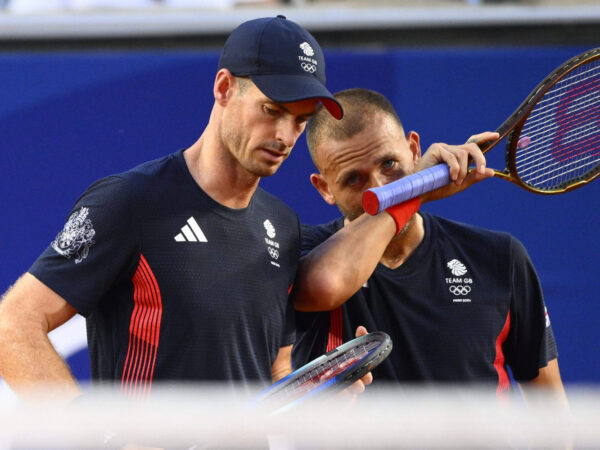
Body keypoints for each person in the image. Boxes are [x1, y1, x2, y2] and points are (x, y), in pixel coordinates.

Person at [0, 16, 485, 408]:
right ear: (224, 88)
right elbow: (12, 325)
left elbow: (275, 376)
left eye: (299, 121)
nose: (285, 136)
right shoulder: (129, 202)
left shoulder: (282, 225)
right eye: (271, 110)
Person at [291, 88, 567, 400]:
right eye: (354, 180)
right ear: (325, 188)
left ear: (414, 149)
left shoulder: (500, 258)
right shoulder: (300, 255)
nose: (380, 191)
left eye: (389, 164)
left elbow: (552, 413)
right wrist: (415, 190)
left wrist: (412, 190)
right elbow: (326, 283)